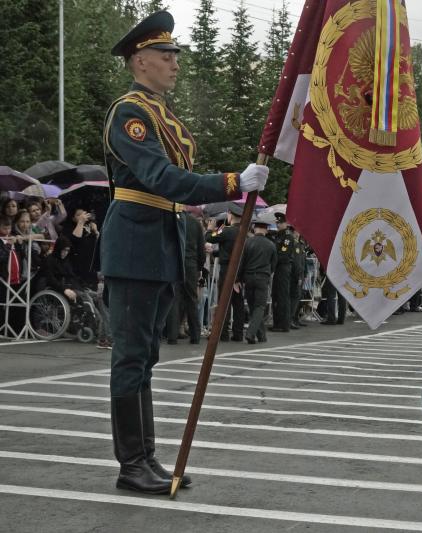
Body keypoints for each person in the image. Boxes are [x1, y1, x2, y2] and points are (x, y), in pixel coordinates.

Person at [102, 10, 268, 495]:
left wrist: (231, 187)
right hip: (135, 242)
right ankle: (131, 462)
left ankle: (145, 458)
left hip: (158, 240)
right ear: (139, 61)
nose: (175, 63)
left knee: (146, 356)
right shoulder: (130, 113)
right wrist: (232, 183)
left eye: (175, 54)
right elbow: (160, 178)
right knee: (131, 357)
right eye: (165, 55)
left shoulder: (163, 115)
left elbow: (174, 186)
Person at [205, 204, 246, 342]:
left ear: (230, 215)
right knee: (238, 302)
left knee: (224, 301)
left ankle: (222, 333)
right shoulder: (245, 231)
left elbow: (210, 237)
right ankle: (238, 333)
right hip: (240, 269)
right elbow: (232, 250)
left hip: (227, 269)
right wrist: (217, 252)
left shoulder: (227, 231)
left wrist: (209, 229)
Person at [166, 210, 205, 344]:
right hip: (191, 264)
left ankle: (172, 335)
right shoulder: (195, 223)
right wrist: (199, 267)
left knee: (174, 299)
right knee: (192, 299)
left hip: (175, 261)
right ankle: (195, 335)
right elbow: (201, 248)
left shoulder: (171, 220)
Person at [241, 216, 277, 343]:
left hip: (248, 277)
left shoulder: (247, 242)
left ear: (254, 228)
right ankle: (250, 334)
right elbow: (273, 264)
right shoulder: (271, 245)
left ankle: (262, 336)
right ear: (266, 230)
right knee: (260, 307)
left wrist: (238, 279)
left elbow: (242, 262)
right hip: (262, 277)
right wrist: (267, 274)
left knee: (253, 307)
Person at [270, 212, 294, 332]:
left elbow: (283, 255)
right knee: (276, 295)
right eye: (277, 223)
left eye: (280, 223)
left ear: (285, 223)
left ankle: (283, 324)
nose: (278, 225)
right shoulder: (277, 235)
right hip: (277, 268)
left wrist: (272, 261)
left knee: (282, 295)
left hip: (283, 268)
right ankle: (277, 322)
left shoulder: (287, 237)